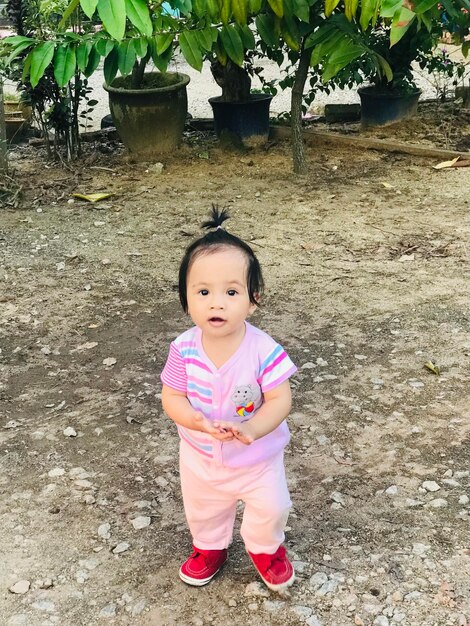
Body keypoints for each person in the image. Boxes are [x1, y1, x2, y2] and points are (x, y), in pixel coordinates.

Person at [160, 206, 297, 592]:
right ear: (186, 299)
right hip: (201, 453)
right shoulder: (183, 349)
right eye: (203, 292)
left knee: (272, 506)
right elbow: (172, 396)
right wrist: (197, 422)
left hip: (257, 456)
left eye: (231, 292)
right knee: (204, 507)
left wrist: (252, 428)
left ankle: (265, 547)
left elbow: (279, 400)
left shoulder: (264, 350)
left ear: (253, 300)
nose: (216, 303)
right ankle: (210, 546)